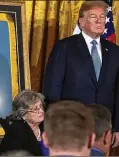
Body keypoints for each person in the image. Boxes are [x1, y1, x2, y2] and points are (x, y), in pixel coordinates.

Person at [43, 0, 119, 147]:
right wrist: (55, 125)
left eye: (102, 17)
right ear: (81, 22)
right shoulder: (64, 47)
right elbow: (52, 89)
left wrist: (118, 127)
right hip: (71, 125)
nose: (99, 20)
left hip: (103, 128)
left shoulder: (115, 51)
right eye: (93, 16)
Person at [0, 89, 49, 156]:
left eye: (41, 106)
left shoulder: (46, 125)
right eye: (36, 109)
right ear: (23, 114)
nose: (41, 111)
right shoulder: (16, 130)